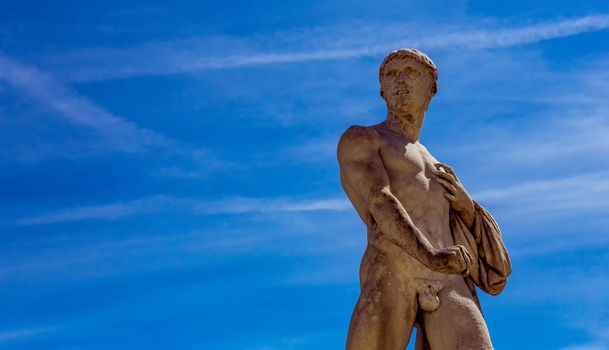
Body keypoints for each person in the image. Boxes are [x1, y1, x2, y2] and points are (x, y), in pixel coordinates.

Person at [337, 49, 511, 350]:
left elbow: (493, 271)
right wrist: (430, 255)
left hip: (448, 281)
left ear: (432, 87)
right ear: (381, 90)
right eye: (391, 75)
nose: (399, 81)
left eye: (410, 72)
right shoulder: (363, 138)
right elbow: (380, 201)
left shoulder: (437, 165)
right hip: (393, 271)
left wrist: (468, 210)